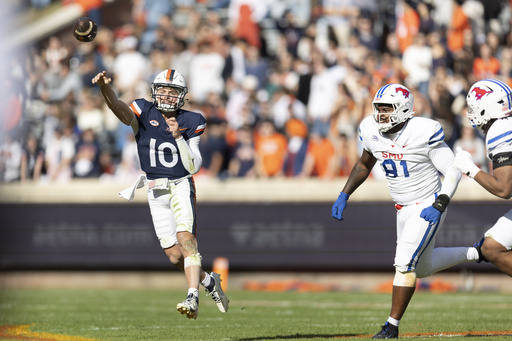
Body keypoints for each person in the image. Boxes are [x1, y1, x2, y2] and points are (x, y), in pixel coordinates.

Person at [331, 83, 481, 339]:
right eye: (378, 109)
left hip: (427, 204)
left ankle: (391, 326)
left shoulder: (423, 131)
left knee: (403, 263)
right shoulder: (370, 129)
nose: (381, 115)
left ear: (403, 109)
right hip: (402, 208)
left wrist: (440, 203)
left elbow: (453, 169)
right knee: (421, 268)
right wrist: (345, 193)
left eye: (387, 109)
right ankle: (478, 251)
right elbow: (364, 163)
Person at [92, 69, 229, 319]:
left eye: (172, 90)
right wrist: (104, 88)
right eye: (162, 89)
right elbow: (118, 108)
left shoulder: (193, 121)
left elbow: (193, 166)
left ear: (181, 96)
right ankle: (209, 282)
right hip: (155, 189)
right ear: (154, 91)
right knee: (174, 254)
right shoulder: (143, 112)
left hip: (180, 184)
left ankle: (192, 296)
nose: (166, 95)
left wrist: (178, 137)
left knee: (186, 238)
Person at [454, 78, 512, 277]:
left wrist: (470, 169)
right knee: (491, 248)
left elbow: (504, 189)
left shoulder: (500, 129)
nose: (471, 113)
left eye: (474, 107)